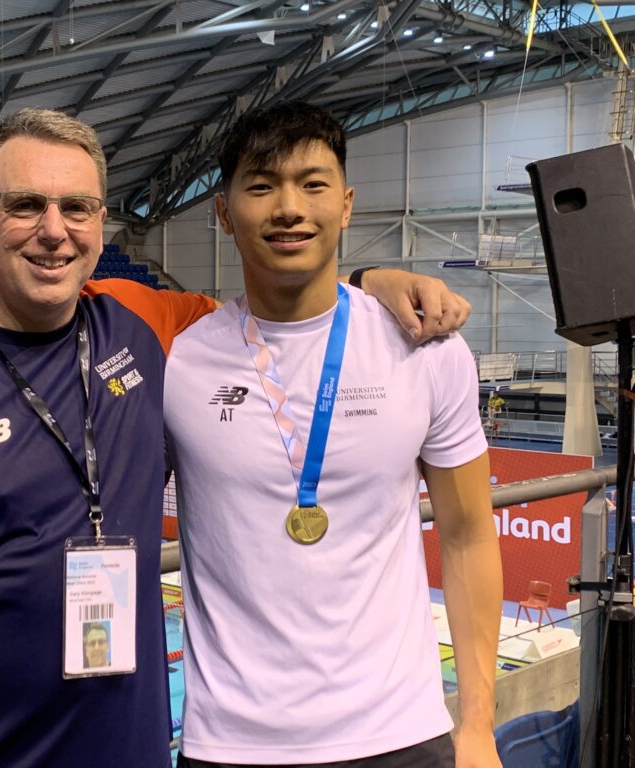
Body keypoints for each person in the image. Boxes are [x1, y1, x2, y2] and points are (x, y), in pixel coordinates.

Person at [0, 108, 471, 767]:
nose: (54, 230)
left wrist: (373, 280)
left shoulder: (144, 323)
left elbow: (288, 298)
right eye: (25, 205)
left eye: (76, 208)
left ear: (101, 224)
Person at [164, 101, 503, 768]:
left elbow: (468, 536)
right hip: (231, 743)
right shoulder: (179, 358)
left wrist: (478, 724)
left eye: (313, 185)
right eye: (261, 185)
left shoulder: (427, 349)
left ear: (346, 205)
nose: (290, 208)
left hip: (400, 732)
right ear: (224, 213)